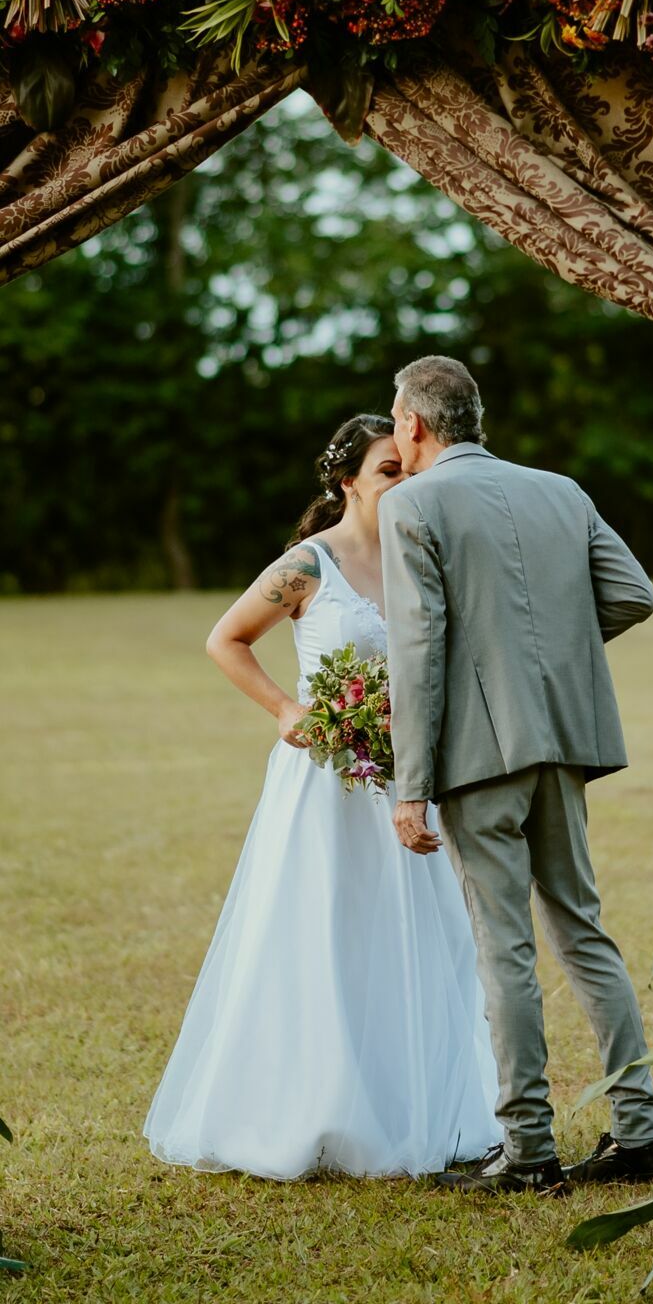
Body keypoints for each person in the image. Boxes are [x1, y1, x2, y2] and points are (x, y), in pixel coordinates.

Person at [143, 414, 498, 1180]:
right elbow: (226, 638)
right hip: (325, 786)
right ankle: (314, 1112)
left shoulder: (426, 558)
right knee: (325, 938)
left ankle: (415, 1109)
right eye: (388, 471)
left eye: (410, 470)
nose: (405, 483)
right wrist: (284, 708)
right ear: (347, 483)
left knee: (421, 941)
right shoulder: (309, 564)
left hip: (410, 784)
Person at [380, 356, 653, 1195]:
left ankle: (530, 1152)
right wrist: (547, 656)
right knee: (584, 931)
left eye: (395, 420)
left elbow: (418, 648)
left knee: (503, 946)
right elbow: (633, 594)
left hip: (479, 757)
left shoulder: (411, 504)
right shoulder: (561, 491)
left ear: (412, 424)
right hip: (563, 741)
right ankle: (639, 1136)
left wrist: (410, 784)